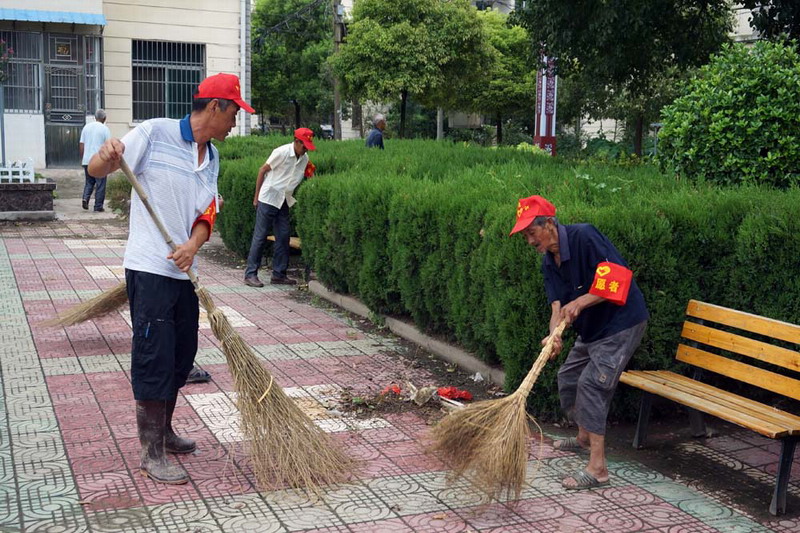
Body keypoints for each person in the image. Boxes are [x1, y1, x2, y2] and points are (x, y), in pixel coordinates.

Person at [88, 73, 254, 485]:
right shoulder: (154, 133)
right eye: (234, 113)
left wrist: (193, 246)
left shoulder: (212, 157)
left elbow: (206, 214)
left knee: (182, 354)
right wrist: (107, 154)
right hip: (149, 268)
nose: (236, 122)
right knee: (154, 355)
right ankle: (151, 452)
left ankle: (164, 430)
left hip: (183, 272)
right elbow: (97, 167)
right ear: (214, 106)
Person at [510, 195, 648, 490]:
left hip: (621, 324)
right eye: (525, 237)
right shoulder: (549, 263)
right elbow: (557, 308)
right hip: (592, 331)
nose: (530, 241)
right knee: (569, 377)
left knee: (592, 385)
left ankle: (598, 469)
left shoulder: (584, 236)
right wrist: (554, 335)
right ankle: (584, 437)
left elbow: (618, 278)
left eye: (532, 233)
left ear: (549, 223)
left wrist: (581, 302)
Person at [244, 128, 316, 287]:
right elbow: (262, 170)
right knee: (260, 236)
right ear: (296, 141)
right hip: (268, 198)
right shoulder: (281, 152)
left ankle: (279, 274)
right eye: (304, 146)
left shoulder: (304, 158)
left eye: (308, 147)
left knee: (283, 236)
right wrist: (256, 197)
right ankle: (250, 274)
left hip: (283, 200)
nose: (305, 150)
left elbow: (307, 174)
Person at [79, 109, 112, 212]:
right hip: (99, 161)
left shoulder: (86, 127)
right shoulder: (105, 129)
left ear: (95, 117)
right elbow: (108, 146)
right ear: (104, 118)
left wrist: (83, 158)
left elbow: (81, 144)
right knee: (100, 184)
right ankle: (98, 206)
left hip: (87, 160)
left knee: (89, 182)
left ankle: (85, 198)